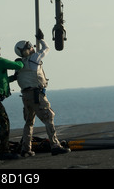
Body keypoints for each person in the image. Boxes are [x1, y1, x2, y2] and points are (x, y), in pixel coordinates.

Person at [14, 29, 71, 157]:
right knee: (49, 118)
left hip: (26, 96)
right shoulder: (34, 58)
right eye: (29, 47)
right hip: (37, 95)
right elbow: (46, 48)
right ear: (26, 50)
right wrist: (41, 39)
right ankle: (55, 145)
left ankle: (26, 148)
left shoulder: (20, 64)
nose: (32, 48)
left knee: (29, 122)